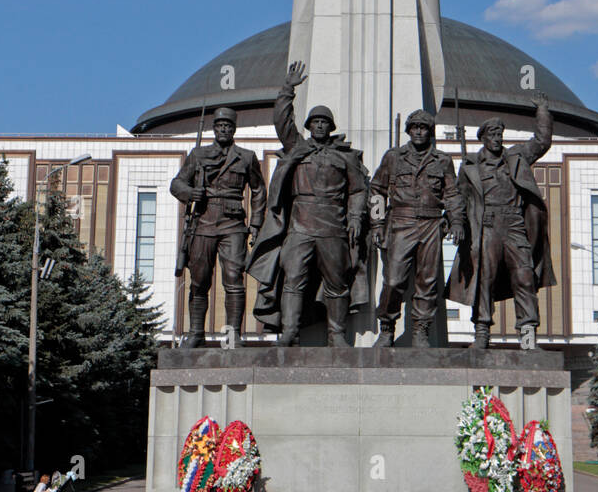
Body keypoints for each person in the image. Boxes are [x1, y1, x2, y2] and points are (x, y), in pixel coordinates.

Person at [247, 62, 367, 346]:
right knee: (293, 281)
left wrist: (354, 218)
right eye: (315, 122)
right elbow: (282, 122)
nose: (320, 126)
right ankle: (289, 332)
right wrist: (287, 90)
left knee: (337, 284)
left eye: (325, 122)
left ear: (331, 126)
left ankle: (336, 334)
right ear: (309, 126)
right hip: (300, 226)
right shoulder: (297, 149)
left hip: (334, 227)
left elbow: (359, 190)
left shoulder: (345, 158)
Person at [446, 94, 555, 350]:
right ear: (483, 138)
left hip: (514, 224)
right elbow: (459, 200)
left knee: (525, 277)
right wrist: (454, 223)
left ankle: (527, 336)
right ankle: (482, 332)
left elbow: (542, 141)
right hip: (486, 226)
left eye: (499, 135)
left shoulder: (516, 157)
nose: (497, 139)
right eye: (492, 135)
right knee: (485, 278)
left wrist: (541, 110)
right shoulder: (470, 167)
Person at [170, 107, 267, 346]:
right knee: (200, 280)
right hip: (203, 221)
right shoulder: (198, 154)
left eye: (228, 126)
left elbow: (258, 189)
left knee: (234, 278)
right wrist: (191, 193)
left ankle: (233, 334)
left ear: (234, 129)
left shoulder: (246, 157)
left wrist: (256, 222)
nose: (224, 129)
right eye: (219, 126)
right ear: (214, 129)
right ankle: (195, 333)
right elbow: (177, 183)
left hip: (233, 223)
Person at [370, 110, 466, 348]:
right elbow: (376, 191)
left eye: (424, 127)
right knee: (393, 280)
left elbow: (452, 194)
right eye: (415, 127)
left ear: (430, 131)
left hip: (431, 224)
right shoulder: (394, 157)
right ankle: (387, 328)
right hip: (401, 222)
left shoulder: (442, 160)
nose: (419, 131)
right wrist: (378, 224)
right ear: (408, 130)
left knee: (428, 281)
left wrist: (456, 221)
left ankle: (421, 330)